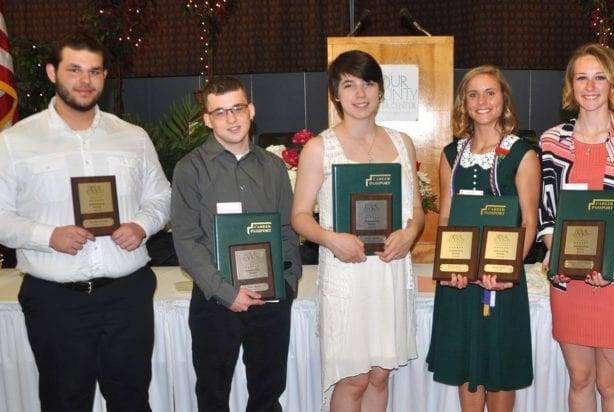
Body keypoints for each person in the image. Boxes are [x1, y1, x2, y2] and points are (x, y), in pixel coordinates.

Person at [0, 33, 171, 411]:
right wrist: (48, 236)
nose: (84, 80)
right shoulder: (15, 142)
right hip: (55, 302)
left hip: (127, 295)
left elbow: (161, 198)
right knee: (64, 402)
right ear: (51, 72)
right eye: (74, 69)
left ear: (104, 77)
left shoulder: (133, 137)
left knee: (130, 400)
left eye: (94, 71)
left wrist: (142, 225)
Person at [291, 50, 424, 411]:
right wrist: (331, 239)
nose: (360, 94)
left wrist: (410, 234)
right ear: (336, 93)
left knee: (380, 375)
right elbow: (300, 216)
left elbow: (416, 211)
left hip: (389, 269)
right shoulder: (319, 148)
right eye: (349, 85)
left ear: (380, 91)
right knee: (353, 379)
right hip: (345, 273)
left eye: (368, 83)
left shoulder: (401, 143)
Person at [538, 43, 614, 412]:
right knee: (579, 379)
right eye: (581, 77)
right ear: (570, 85)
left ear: (613, 84)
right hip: (569, 279)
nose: (590, 86)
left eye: (599, 77)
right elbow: (546, 210)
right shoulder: (552, 141)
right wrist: (552, 248)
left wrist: (613, 255)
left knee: (611, 384)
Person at [171, 76, 301, 412]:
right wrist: (227, 292)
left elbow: (288, 230)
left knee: (267, 394)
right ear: (207, 119)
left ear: (251, 110)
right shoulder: (190, 169)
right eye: (220, 112)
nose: (231, 119)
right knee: (213, 395)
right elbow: (186, 241)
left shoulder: (274, 167)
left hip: (271, 301)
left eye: (237, 108)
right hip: (216, 302)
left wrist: (287, 283)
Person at [426, 65, 540, 412]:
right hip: (459, 282)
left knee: (499, 367)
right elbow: (445, 217)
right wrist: (449, 268)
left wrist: (504, 273)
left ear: (504, 99)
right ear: (464, 102)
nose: (482, 101)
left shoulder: (523, 154)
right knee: (466, 364)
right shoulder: (451, 155)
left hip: (501, 284)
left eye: (490, 92)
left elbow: (529, 224)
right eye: (473, 93)